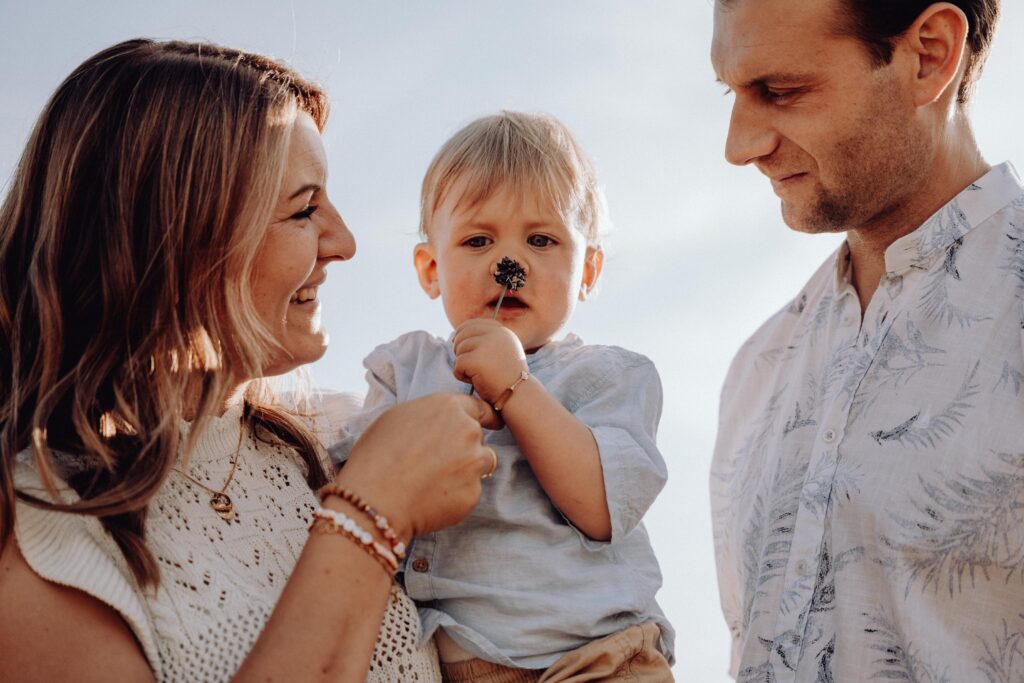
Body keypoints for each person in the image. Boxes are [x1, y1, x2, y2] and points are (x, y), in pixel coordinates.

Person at [0, 38, 504, 682]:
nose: (344, 243)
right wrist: (369, 515)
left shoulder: (335, 443)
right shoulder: (42, 532)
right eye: (303, 209)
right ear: (176, 242)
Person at [709, 0, 1022, 680]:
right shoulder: (758, 368)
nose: (739, 145)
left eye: (780, 91)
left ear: (929, 54)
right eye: (730, 93)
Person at [330, 112, 674, 681]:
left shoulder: (610, 377)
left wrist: (516, 387)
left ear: (587, 270)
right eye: (477, 240)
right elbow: (364, 484)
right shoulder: (404, 369)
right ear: (431, 268)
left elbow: (600, 507)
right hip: (461, 662)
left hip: (595, 656)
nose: (507, 266)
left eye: (541, 240)